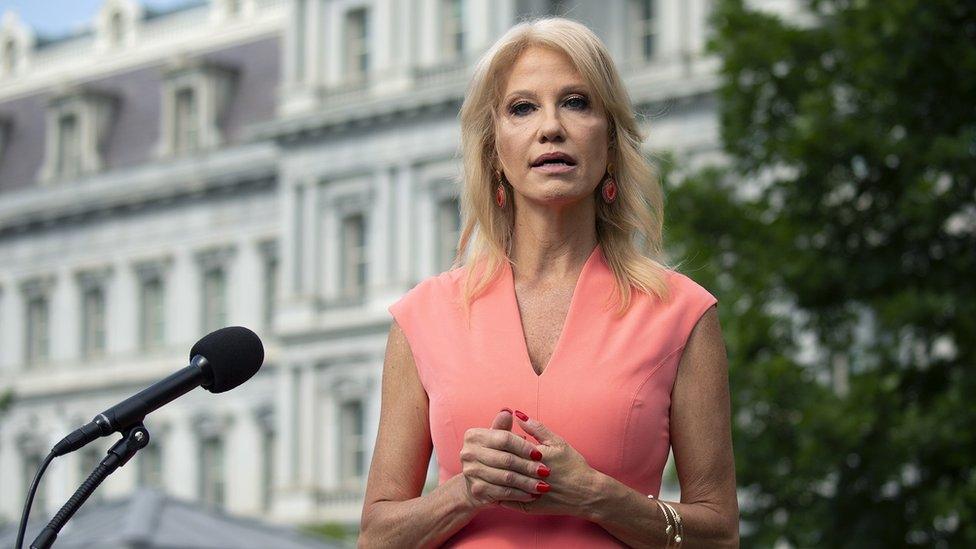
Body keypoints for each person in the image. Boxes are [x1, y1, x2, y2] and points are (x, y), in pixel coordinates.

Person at [359, 17, 738, 548]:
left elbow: (720, 536)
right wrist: (467, 490)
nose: (551, 127)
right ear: (494, 151)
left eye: (577, 102)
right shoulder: (422, 317)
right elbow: (375, 538)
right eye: (522, 108)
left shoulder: (681, 313)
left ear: (609, 140)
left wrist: (595, 495)